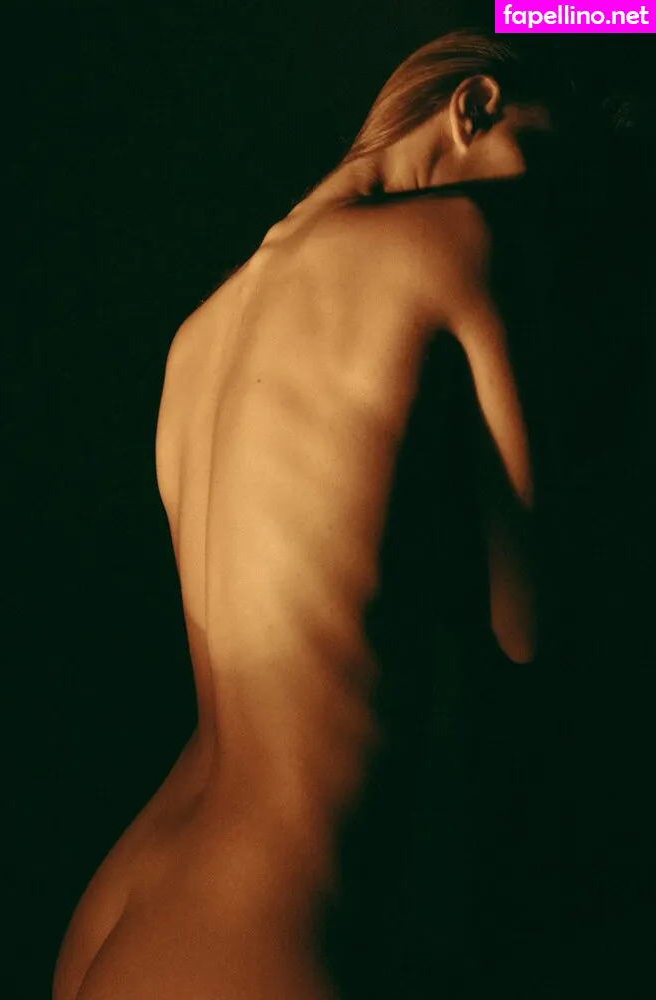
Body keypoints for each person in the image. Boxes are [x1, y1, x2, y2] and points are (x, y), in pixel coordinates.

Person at [53, 29, 570, 1000]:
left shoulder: (200, 329)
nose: (557, 201)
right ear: (474, 108)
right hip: (266, 919)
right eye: (552, 158)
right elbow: (529, 627)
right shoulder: (461, 236)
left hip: (129, 905)